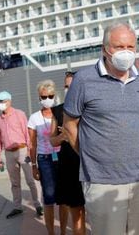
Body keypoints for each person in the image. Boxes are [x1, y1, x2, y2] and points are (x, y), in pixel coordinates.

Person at [63, 23, 139, 235]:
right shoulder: (84, 79)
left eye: (130, 47)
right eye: (119, 46)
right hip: (102, 182)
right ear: (105, 48)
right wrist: (89, 156)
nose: (126, 52)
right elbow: (69, 125)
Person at [0, 91, 43, 219]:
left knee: (31, 180)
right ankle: (17, 207)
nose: (0, 104)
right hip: (9, 154)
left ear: (9, 101)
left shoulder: (20, 114)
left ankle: (38, 205)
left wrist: (29, 150)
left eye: (3, 101)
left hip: (22, 150)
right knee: (14, 183)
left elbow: (27, 133)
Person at [29, 80, 68, 235]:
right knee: (49, 198)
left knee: (64, 198)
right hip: (45, 159)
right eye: (43, 96)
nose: (47, 99)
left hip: (63, 157)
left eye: (50, 96)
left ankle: (63, 231)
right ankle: (51, 233)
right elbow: (32, 144)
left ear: (55, 95)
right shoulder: (34, 118)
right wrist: (33, 165)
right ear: (39, 97)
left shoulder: (61, 113)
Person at [50, 72, 86, 235]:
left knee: (99, 210)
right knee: (77, 212)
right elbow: (52, 140)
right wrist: (64, 135)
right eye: (66, 86)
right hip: (69, 165)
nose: (69, 89)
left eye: (72, 85)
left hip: (89, 161)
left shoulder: (90, 107)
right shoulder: (57, 111)